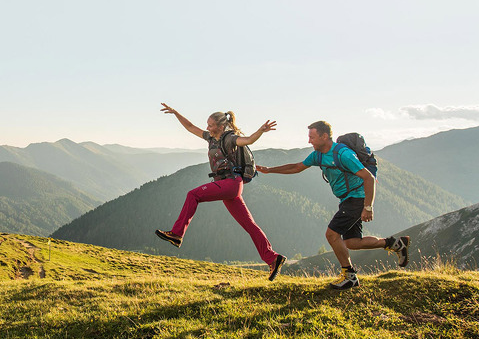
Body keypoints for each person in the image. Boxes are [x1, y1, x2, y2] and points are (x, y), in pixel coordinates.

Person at [255, 120, 410, 290]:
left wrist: (368, 207)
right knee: (352, 242)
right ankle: (395, 244)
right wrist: (270, 170)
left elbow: (369, 178)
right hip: (346, 199)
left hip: (357, 198)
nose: (309, 141)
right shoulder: (318, 155)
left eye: (312, 137)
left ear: (324, 136)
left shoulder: (343, 155)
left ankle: (350, 276)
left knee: (332, 235)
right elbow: (297, 167)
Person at [155, 103, 288, 281]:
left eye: (210, 125)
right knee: (249, 225)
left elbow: (247, 140)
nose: (207, 128)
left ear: (220, 125)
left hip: (231, 183)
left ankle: (177, 234)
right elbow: (190, 127)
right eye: (207, 125)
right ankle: (273, 258)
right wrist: (175, 113)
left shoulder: (229, 138)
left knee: (193, 195)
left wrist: (261, 131)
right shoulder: (211, 138)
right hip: (228, 186)